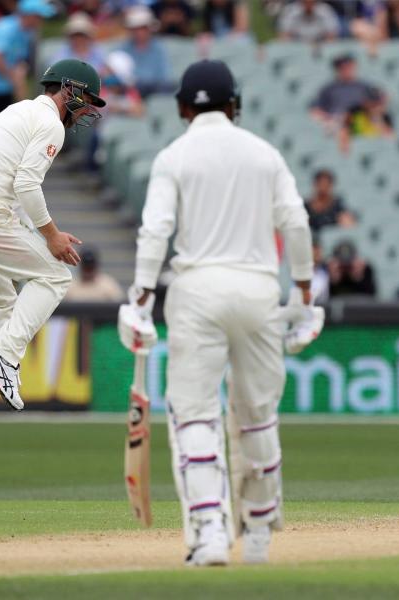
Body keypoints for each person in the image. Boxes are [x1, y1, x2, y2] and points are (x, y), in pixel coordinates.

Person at [120, 60, 321, 566]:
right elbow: (295, 223)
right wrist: (302, 289)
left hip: (197, 291)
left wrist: (141, 296)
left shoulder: (174, 155)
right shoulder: (264, 153)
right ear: (234, 105)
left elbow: (155, 230)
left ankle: (210, 530)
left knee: (194, 414)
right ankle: (258, 532)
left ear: (184, 108)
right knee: (257, 416)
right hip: (257, 291)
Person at [0, 59, 105, 445]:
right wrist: (53, 236)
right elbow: (28, 186)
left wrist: (45, 236)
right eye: (87, 99)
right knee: (56, 275)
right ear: (69, 89)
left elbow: (13, 195)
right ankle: (6, 356)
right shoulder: (50, 124)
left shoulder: (17, 111)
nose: (88, 109)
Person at [0, 0, 56, 132]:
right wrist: (14, 79)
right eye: (38, 17)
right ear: (28, 15)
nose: (41, 21)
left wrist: (20, 72)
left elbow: (19, 59)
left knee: (3, 125)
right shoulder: (5, 28)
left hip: (4, 86)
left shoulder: (27, 32)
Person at [120, 6, 174, 97]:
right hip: (130, 93)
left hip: (155, 92)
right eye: (136, 28)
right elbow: (120, 76)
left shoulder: (159, 49)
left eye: (143, 28)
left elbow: (164, 77)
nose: (139, 32)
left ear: (150, 29)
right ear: (131, 30)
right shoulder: (123, 49)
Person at [309, 54, 378, 124]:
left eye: (350, 67)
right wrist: (327, 119)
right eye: (344, 67)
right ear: (337, 69)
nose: (348, 70)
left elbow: (379, 101)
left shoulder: (364, 86)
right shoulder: (329, 89)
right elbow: (315, 109)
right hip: (336, 122)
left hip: (361, 122)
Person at [305, 169, 355, 233]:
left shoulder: (338, 205)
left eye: (326, 185)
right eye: (321, 184)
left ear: (331, 185)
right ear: (315, 185)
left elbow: (349, 223)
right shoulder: (306, 206)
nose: (323, 188)